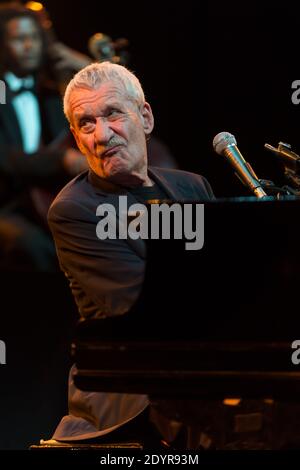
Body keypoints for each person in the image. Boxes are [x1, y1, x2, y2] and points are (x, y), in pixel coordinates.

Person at [47, 61, 214, 444]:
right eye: (86, 123)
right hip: (131, 386)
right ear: (76, 136)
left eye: (112, 114)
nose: (102, 135)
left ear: (145, 117)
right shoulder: (76, 210)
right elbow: (141, 311)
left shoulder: (192, 187)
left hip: (204, 364)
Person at [0, 2, 89, 271]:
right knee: (31, 244)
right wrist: (61, 158)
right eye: (18, 39)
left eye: (34, 38)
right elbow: (4, 158)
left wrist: (85, 66)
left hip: (45, 199)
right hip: (6, 202)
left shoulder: (51, 94)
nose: (29, 46)